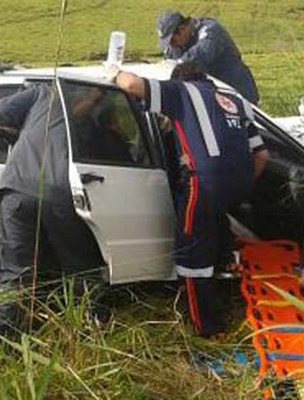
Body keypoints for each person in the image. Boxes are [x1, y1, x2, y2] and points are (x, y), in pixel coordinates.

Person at [114, 62, 269, 337]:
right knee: (218, 226)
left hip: (204, 184)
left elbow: (130, 85)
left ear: (179, 80)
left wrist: (114, 71)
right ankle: (226, 284)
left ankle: (207, 328)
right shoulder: (235, 100)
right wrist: (237, 184)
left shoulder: (181, 92)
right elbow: (261, 156)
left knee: (191, 252)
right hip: (239, 184)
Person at [0, 82, 106, 346]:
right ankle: (85, 339)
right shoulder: (61, 95)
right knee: (80, 270)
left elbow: (1, 108)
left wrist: (12, 136)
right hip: (57, 194)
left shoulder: (44, 92)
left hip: (16, 189)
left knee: (15, 275)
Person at [156, 10, 260, 105]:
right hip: (214, 99)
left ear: (182, 29)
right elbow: (169, 66)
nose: (172, 46)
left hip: (239, 95)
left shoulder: (211, 31)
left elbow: (196, 58)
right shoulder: (177, 45)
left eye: (172, 41)